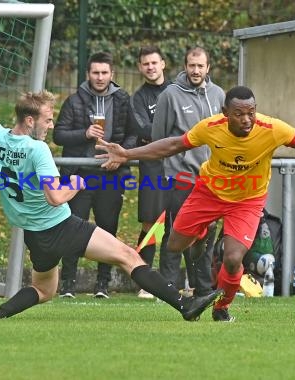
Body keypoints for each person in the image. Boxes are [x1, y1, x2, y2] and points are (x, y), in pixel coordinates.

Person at [0, 90, 221, 321]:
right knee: (130, 255)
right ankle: (184, 305)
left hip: (34, 235)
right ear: (31, 120)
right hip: (60, 226)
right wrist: (78, 182)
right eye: (49, 119)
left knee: (43, 290)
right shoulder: (38, 151)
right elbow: (55, 197)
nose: (53, 124)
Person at [97, 85, 295, 322]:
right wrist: (127, 154)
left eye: (251, 112)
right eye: (239, 114)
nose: (246, 120)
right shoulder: (211, 127)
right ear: (225, 113)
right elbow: (172, 145)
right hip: (208, 193)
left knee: (232, 260)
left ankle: (221, 307)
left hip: (247, 201)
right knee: (175, 245)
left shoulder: (272, 128)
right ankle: (203, 232)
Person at [53, 52, 137, 299]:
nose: (100, 77)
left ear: (112, 74)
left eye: (104, 72)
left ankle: (103, 284)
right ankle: (68, 284)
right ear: (88, 74)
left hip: (110, 175)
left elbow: (134, 134)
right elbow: (59, 135)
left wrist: (120, 156)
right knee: (72, 228)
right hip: (78, 176)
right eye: (95, 72)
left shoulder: (123, 99)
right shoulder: (74, 100)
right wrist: (84, 133)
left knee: (108, 229)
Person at [152, 46, 225, 298]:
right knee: (176, 234)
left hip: (211, 181)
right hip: (180, 179)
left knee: (207, 237)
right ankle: (168, 288)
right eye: (191, 66)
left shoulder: (218, 95)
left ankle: (203, 288)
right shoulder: (170, 95)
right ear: (185, 66)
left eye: (200, 66)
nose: (196, 71)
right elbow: (158, 138)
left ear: (208, 68)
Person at [130, 46, 172, 299]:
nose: (150, 67)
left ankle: (172, 279)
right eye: (145, 63)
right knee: (152, 222)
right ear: (140, 67)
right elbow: (144, 129)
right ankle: (144, 281)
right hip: (152, 166)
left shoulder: (176, 90)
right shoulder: (138, 98)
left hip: (180, 164)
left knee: (178, 222)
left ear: (163, 64)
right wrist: (171, 134)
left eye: (154, 62)